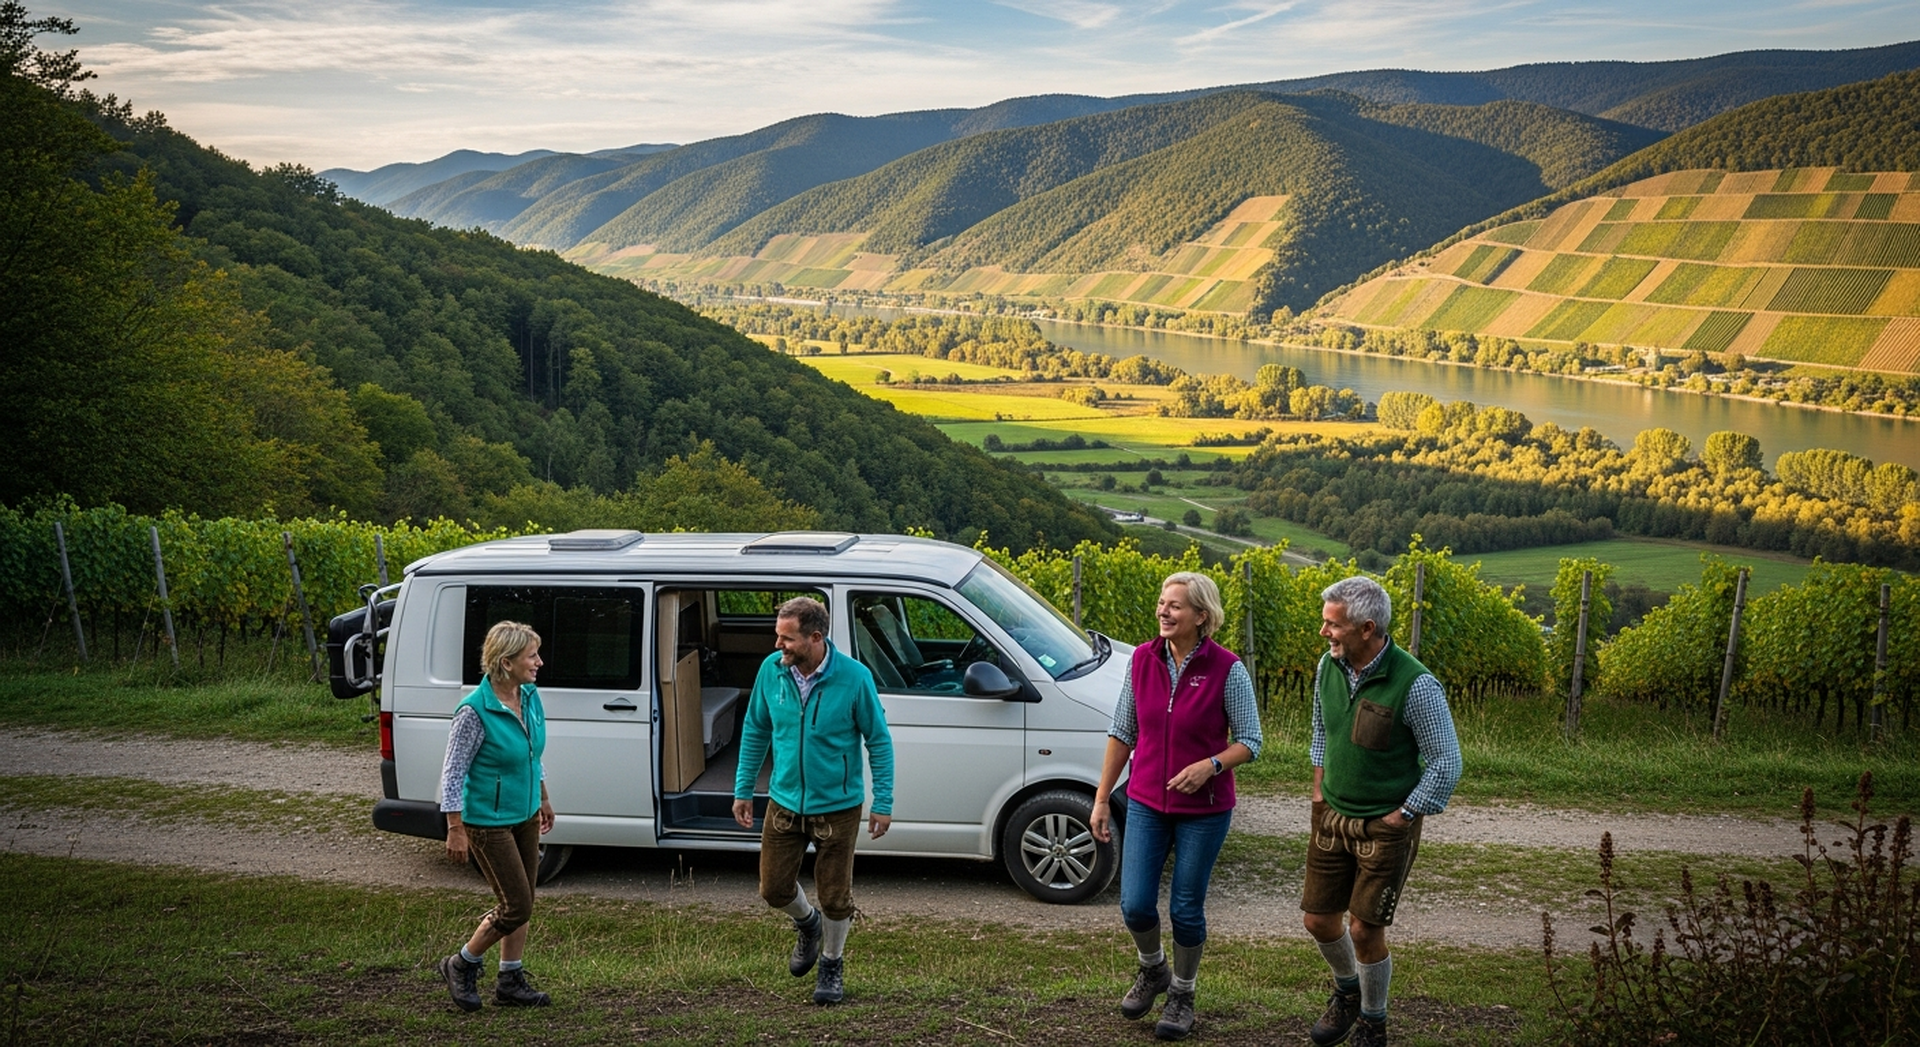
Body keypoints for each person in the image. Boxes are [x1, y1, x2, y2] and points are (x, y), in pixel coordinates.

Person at [1089, 572, 1261, 1041]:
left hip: (1205, 811)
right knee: (1136, 905)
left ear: (1201, 616)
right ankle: (1153, 969)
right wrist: (1103, 799)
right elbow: (1123, 731)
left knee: (1186, 909)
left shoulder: (1228, 669)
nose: (1164, 612)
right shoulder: (1142, 660)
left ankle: (1183, 992)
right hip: (1145, 800)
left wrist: (1211, 765)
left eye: (1176, 606)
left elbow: (1251, 741)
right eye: (1162, 603)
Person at [1302, 577, 1461, 1047]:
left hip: (1386, 824)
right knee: (1318, 919)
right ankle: (1347, 991)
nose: (1324, 632)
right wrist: (1317, 791)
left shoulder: (1416, 684)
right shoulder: (1327, 667)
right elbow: (1320, 729)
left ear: (1367, 628)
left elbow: (1446, 761)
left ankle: (1374, 1019)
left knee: (1365, 928)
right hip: (1330, 813)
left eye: (1333, 624)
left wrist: (1405, 814)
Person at [731, 596, 894, 1005]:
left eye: (786, 638)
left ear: (815, 637)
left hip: (838, 806)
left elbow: (879, 741)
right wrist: (743, 789)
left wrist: (883, 800)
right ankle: (808, 924)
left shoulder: (855, 678)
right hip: (784, 802)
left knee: (836, 895)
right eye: (777, 636)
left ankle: (832, 963)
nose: (777, 646)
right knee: (773, 889)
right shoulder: (772, 672)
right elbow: (755, 729)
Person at [437, 620, 557, 1012]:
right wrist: (455, 828)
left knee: (526, 899)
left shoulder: (530, 695)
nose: (539, 662)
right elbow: (453, 772)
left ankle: (510, 979)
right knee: (515, 904)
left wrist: (543, 796)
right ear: (506, 662)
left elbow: (530, 753)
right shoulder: (474, 711)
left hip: (524, 814)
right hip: (487, 822)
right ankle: (462, 963)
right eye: (531, 656)